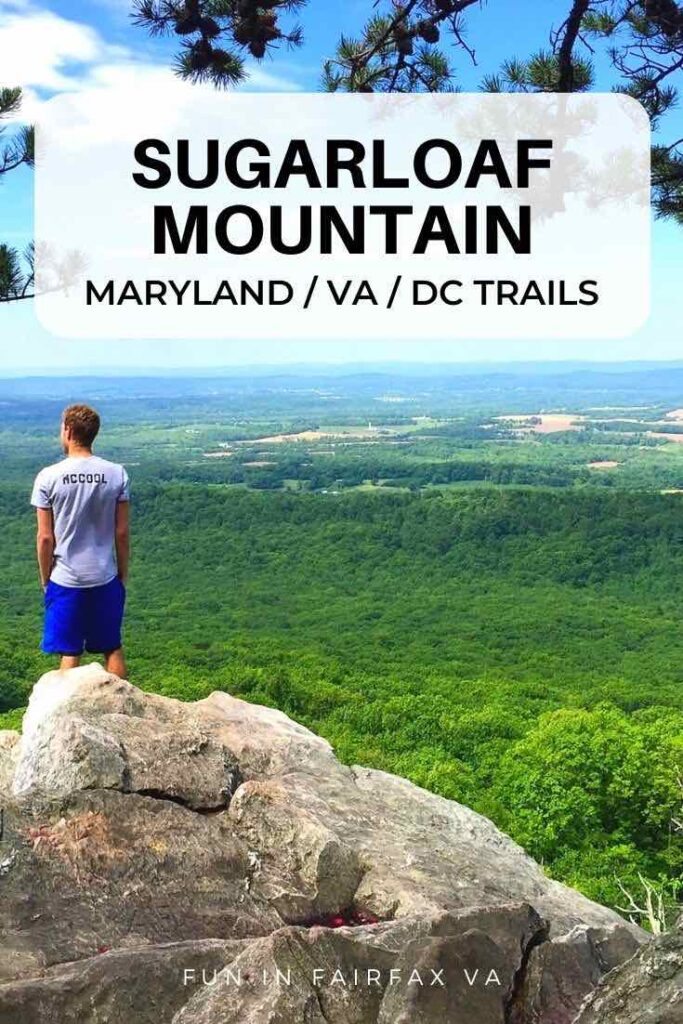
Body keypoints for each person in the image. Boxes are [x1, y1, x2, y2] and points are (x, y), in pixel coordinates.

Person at [30, 404, 130, 677]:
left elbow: (45, 537)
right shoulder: (117, 474)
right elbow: (121, 533)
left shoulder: (48, 477)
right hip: (104, 574)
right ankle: (122, 711)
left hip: (66, 578)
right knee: (112, 647)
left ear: (69, 430)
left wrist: (45, 579)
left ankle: (68, 714)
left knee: (70, 652)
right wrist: (122, 574)